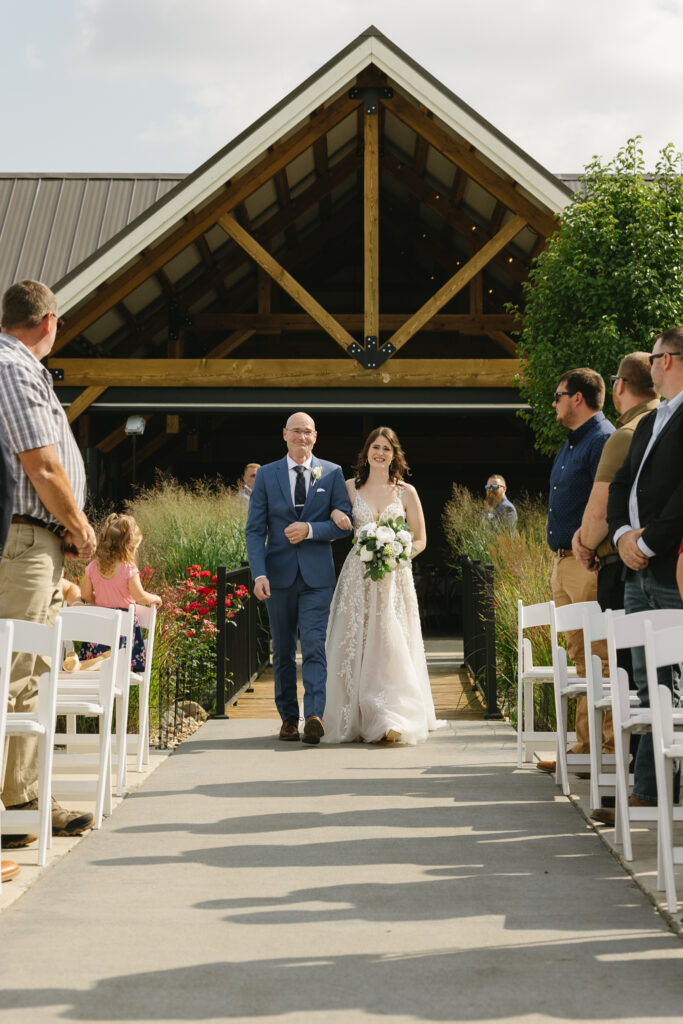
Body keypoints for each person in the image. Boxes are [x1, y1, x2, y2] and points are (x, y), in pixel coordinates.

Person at [0, 279, 97, 849]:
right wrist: (81, 528)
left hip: (34, 541)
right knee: (20, 670)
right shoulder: (13, 366)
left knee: (30, 671)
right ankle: (20, 803)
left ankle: (24, 795)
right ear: (49, 321)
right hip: (25, 539)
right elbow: (42, 465)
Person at [596, 328, 683, 824]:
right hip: (636, 568)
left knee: (675, 679)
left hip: (669, 566)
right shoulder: (651, 423)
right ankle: (648, 792)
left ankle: (662, 793)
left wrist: (647, 543)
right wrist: (624, 534)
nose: (647, 368)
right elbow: (622, 485)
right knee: (648, 683)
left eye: (652, 358)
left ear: (668, 360)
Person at [323, 427, 444, 745]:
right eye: (375, 447)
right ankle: (356, 715)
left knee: (391, 644)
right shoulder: (349, 487)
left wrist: (398, 554)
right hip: (358, 576)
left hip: (394, 578)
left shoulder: (406, 492)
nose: (380, 453)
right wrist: (336, 511)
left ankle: (392, 715)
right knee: (356, 641)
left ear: (394, 455)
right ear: (366, 453)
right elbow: (329, 513)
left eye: (386, 449)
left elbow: (420, 538)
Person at [245, 412, 351, 744]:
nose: (302, 437)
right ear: (285, 435)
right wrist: (259, 573)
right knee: (284, 649)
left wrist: (310, 529)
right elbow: (254, 530)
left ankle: (315, 715)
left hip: (317, 577)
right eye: (296, 432)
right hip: (277, 577)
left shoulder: (332, 473)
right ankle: (289, 718)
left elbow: (344, 524)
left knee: (315, 645)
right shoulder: (266, 475)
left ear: (315, 437)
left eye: (307, 432)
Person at [537, 367, 614, 775]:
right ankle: (586, 749)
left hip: (588, 562)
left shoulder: (602, 440)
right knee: (581, 658)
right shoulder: (571, 445)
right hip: (564, 561)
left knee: (598, 658)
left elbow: (606, 501)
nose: (554, 402)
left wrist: (589, 547)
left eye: (558, 394)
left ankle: (606, 750)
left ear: (578, 398)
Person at [79, 513, 162, 671]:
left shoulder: (93, 567)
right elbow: (139, 596)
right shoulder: (128, 569)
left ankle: (98, 667)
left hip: (100, 627)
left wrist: (100, 598)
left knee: (97, 668)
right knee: (121, 668)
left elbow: (86, 596)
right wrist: (155, 598)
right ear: (128, 546)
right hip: (123, 629)